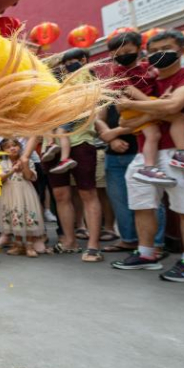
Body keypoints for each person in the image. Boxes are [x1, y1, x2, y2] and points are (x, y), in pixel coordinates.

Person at [113, 30, 184, 281]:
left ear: (181, 50)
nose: (159, 55)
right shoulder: (147, 79)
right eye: (153, 51)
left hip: (178, 151)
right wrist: (156, 109)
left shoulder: (182, 76)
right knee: (141, 202)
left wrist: (135, 105)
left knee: (182, 206)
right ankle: (146, 254)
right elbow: (124, 120)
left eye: (166, 48)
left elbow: (174, 106)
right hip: (146, 152)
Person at [27, 49, 105, 262]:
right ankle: (69, 241)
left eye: (70, 61)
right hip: (50, 145)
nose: (64, 65)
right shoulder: (47, 83)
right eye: (63, 62)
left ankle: (93, 245)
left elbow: (94, 108)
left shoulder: (86, 78)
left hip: (81, 140)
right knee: (60, 195)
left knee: (87, 193)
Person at [97, 31, 168, 256]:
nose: (123, 56)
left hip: (141, 145)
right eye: (118, 53)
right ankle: (128, 240)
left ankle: (155, 244)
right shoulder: (111, 81)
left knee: (150, 199)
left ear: (139, 49)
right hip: (113, 151)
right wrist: (109, 135)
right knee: (121, 199)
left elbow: (160, 110)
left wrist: (118, 131)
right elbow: (99, 117)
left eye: (128, 51)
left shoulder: (151, 75)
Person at [0, 139, 46, 257]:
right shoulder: (2, 164)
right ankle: (18, 244)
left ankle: (29, 245)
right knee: (15, 216)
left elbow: (29, 177)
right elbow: (0, 179)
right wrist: (12, 170)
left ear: (20, 147)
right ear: (3, 151)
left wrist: (24, 166)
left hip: (26, 192)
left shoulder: (27, 161)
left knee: (27, 215)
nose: (12, 148)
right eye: (8, 147)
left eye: (14, 145)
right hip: (10, 194)